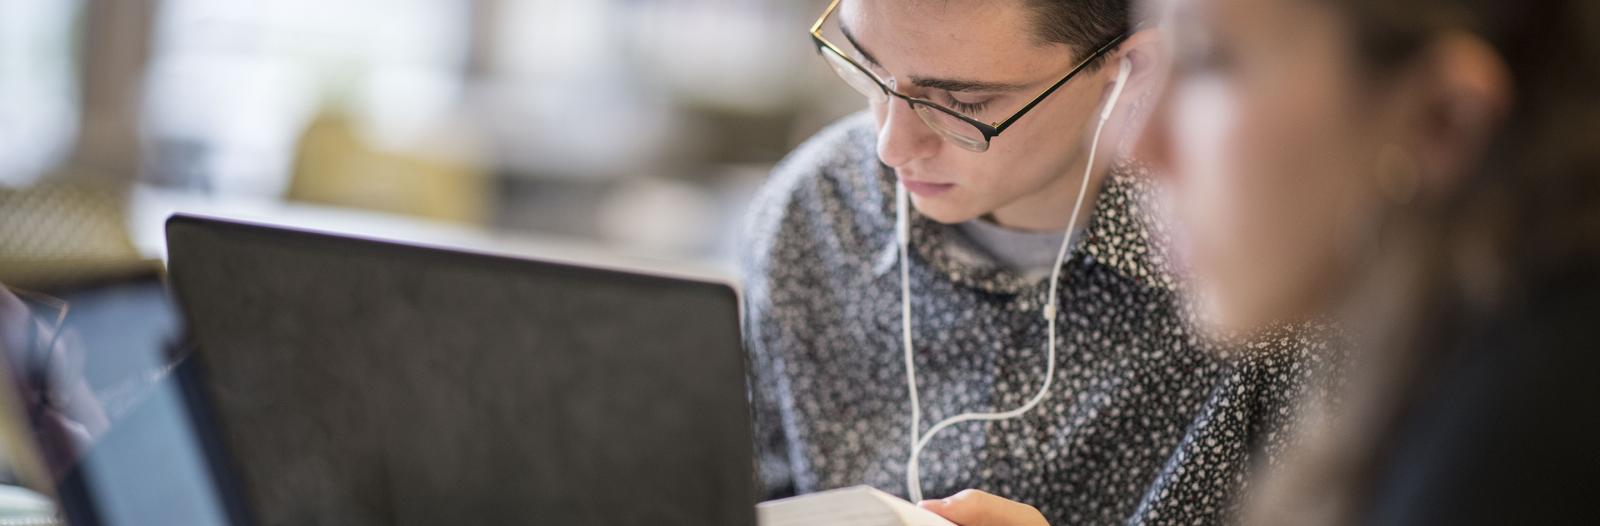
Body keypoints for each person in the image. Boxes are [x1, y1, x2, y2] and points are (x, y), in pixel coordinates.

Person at [926, 0, 1600, 523]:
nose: (1132, 146)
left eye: (1207, 59)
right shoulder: (1456, 354)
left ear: (1440, 119)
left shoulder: (1516, 451)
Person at [739, 0, 1330, 523]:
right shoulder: (815, 212)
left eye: (961, 101)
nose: (890, 146)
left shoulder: (1274, 272)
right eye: (868, 68)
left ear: (1133, 70)